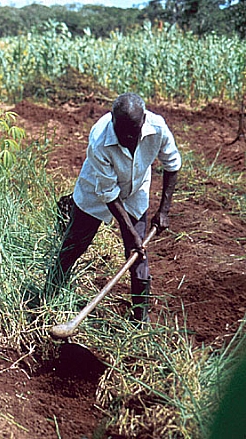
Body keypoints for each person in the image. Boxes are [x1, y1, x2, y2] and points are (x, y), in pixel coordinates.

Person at [45, 93, 181, 323]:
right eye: (122, 130)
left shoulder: (157, 128)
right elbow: (108, 193)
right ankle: (48, 296)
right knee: (73, 246)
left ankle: (140, 319)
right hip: (94, 194)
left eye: (133, 131)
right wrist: (129, 231)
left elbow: (172, 164)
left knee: (138, 257)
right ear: (113, 121)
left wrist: (164, 211)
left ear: (144, 120)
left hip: (135, 192)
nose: (128, 137)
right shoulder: (100, 138)